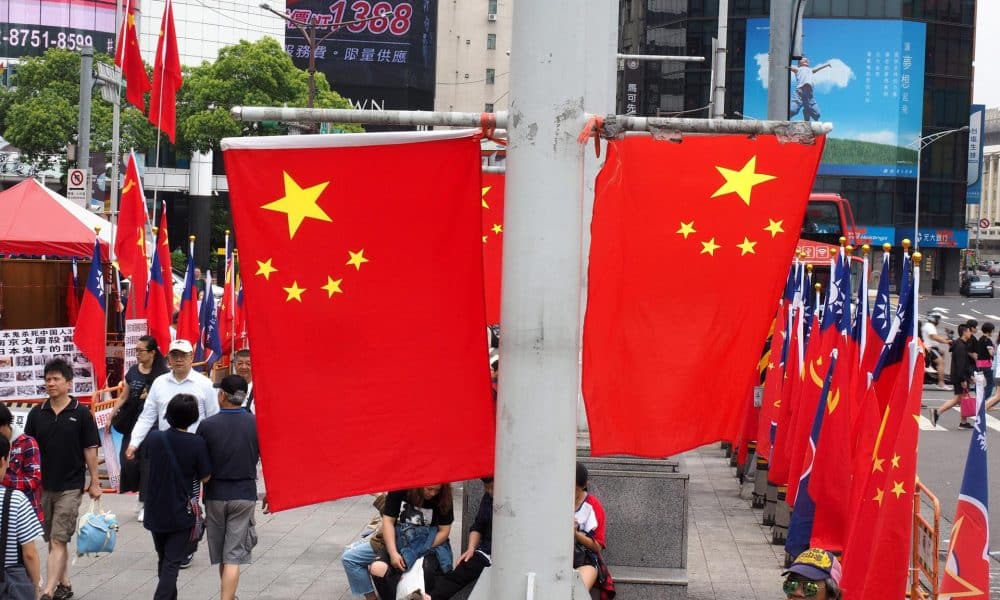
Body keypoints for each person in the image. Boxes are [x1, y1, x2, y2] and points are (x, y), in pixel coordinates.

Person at [25, 359, 102, 600]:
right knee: (53, 538)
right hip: (43, 486)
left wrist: (95, 482)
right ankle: (64, 583)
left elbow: (90, 449)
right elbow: (29, 449)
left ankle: (48, 591)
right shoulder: (37, 413)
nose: (51, 383)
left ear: (69, 383)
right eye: (48, 379)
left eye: (56, 379)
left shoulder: (80, 413)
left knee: (58, 538)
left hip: (71, 485)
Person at [143, 394, 212, 600]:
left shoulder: (155, 437)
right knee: (172, 563)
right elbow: (206, 476)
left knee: (163, 559)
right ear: (193, 417)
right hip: (181, 511)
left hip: (155, 509)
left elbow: (148, 459)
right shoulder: (197, 443)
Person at [196, 375, 259, 600]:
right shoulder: (255, 424)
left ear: (222, 395)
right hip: (244, 494)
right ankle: (228, 597)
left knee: (225, 554)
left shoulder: (206, 425)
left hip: (215, 495)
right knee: (233, 555)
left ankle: (228, 597)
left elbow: (200, 467)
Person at [349, 485, 454, 600]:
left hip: (430, 543)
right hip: (400, 539)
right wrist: (393, 553)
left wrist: (418, 550)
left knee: (426, 571)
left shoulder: (444, 497)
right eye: (429, 489)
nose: (433, 493)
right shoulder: (400, 488)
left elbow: (444, 531)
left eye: (437, 490)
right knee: (377, 568)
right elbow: (388, 521)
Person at [108, 335, 169, 521]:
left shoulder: (162, 374)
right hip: (132, 424)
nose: (137, 354)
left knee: (147, 465)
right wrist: (111, 414)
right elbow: (124, 396)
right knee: (128, 462)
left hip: (154, 426)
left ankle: (145, 502)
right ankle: (141, 495)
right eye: (136, 350)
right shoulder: (133, 371)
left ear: (152, 353)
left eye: (140, 351)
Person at [422, 478, 493, 600]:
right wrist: (471, 549)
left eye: (493, 488)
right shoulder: (487, 498)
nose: (490, 491)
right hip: (486, 550)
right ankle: (430, 598)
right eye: (487, 488)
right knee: (461, 570)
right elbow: (477, 526)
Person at [0, 435, 44, 600]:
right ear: (3, 461)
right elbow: (30, 553)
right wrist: (35, 585)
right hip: (8, 582)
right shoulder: (15, 500)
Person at [573, 463, 613, 598]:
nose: (570, 494)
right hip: (555, 556)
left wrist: (576, 534)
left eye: (575, 490)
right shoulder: (555, 501)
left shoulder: (592, 506)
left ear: (584, 485)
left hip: (584, 559)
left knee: (576, 593)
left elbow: (597, 546)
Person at [0, 405, 42, 524]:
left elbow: (34, 481)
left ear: (5, 424)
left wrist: (3, 478)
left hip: (22, 512)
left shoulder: (27, 443)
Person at [933, 324, 975, 429]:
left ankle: (963, 422)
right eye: (969, 331)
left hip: (960, 376)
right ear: (964, 332)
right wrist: (963, 379)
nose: (970, 333)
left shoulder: (961, 344)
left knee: (961, 399)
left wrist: (969, 376)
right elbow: (961, 364)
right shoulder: (961, 346)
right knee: (959, 399)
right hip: (959, 377)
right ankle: (937, 412)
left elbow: (965, 363)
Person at [786, 57, 830, 122]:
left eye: (807, 59)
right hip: (799, 94)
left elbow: (818, 68)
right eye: (803, 59)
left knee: (817, 114)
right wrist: (774, 59)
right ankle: (784, 118)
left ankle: (806, 111)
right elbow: (786, 66)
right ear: (799, 64)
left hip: (809, 96)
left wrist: (826, 65)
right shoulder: (798, 69)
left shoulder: (811, 70)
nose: (805, 59)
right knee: (792, 110)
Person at [921, 312, 950, 390]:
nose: (938, 321)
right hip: (929, 348)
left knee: (942, 353)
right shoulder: (930, 326)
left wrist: (945, 340)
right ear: (933, 319)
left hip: (931, 347)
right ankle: (941, 383)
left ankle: (938, 375)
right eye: (937, 319)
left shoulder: (928, 325)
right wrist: (946, 341)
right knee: (941, 362)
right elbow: (934, 337)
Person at [977, 323, 995, 403]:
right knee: (991, 383)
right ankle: (984, 400)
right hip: (987, 365)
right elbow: (991, 353)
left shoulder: (980, 339)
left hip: (979, 364)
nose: (993, 332)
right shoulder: (988, 340)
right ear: (989, 331)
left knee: (981, 383)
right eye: (993, 331)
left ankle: (979, 398)